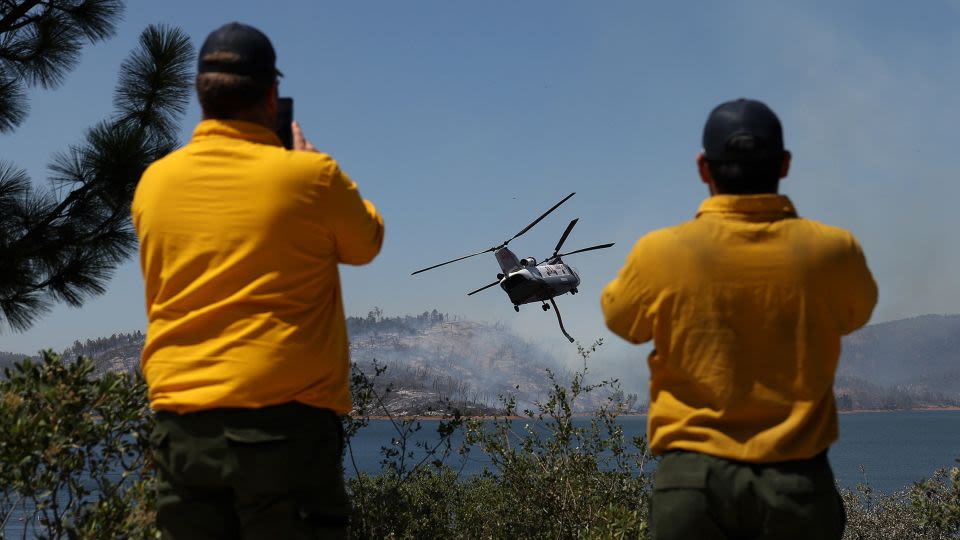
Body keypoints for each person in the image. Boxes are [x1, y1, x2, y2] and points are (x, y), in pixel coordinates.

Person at [131, 22, 384, 539]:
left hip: (181, 432)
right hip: (283, 433)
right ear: (272, 95)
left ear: (200, 94)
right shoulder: (310, 177)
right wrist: (317, 165)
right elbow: (367, 243)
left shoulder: (154, 183)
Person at [601, 98, 877, 540]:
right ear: (785, 164)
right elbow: (855, 313)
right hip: (797, 483)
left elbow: (622, 321)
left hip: (692, 483)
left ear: (702, 168)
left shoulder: (660, 253)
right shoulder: (834, 250)